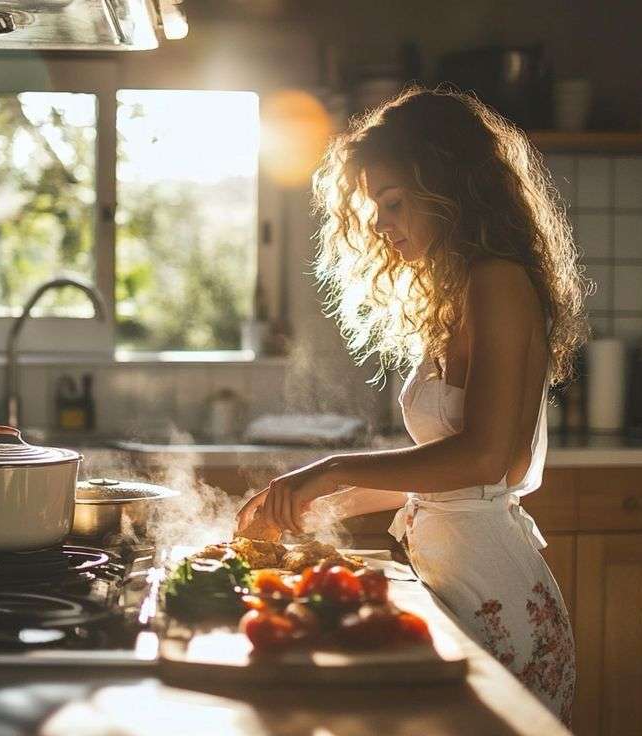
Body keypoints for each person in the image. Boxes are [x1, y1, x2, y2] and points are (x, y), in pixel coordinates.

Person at [237, 86, 588, 725]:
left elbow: (482, 460)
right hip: (460, 588)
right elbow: (438, 480)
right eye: (375, 207)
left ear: (449, 187)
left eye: (393, 203)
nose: (380, 224)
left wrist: (330, 470)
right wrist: (302, 505)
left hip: (500, 604)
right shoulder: (460, 292)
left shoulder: (498, 282)